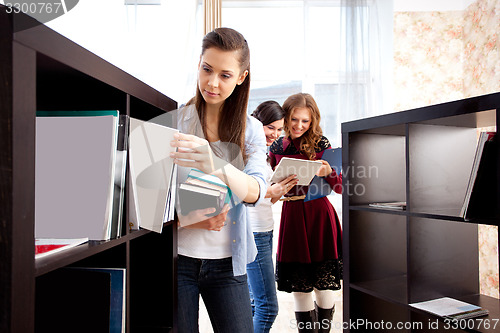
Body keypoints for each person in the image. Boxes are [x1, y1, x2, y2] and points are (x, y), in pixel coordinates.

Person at [169, 27, 268, 333]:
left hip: (228, 263)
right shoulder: (175, 122)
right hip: (178, 262)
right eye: (207, 69)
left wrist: (214, 163)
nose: (212, 83)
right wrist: (186, 220)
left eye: (225, 75)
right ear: (198, 63)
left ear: (241, 77)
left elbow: (256, 191)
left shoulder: (251, 130)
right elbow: (147, 201)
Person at [269, 93, 343, 333]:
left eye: (305, 121)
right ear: (285, 117)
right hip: (292, 217)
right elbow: (271, 186)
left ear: (313, 121)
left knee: (324, 286)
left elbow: (340, 187)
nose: (299, 126)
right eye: (294, 119)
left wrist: (328, 173)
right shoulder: (276, 147)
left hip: (320, 215)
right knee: (299, 287)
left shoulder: (321, 144)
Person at [247, 101, 298, 333]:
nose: (275, 135)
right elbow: (246, 191)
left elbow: (260, 197)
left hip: (264, 230)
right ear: (257, 122)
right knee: (267, 307)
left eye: (280, 130)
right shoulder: (247, 149)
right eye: (271, 128)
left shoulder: (262, 152)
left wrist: (279, 193)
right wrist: (271, 191)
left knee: (254, 305)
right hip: (255, 232)